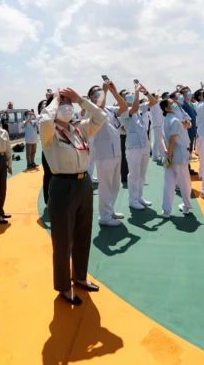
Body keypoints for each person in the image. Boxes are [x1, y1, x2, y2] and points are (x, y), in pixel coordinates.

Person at [40, 87, 106, 305]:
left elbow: (100, 116)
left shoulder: (80, 129)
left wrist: (81, 100)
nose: (67, 106)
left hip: (83, 183)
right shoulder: (49, 133)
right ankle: (63, 286)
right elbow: (44, 120)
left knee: (83, 234)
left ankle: (79, 276)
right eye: (63, 103)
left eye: (69, 103)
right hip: (62, 186)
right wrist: (55, 100)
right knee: (62, 240)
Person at [88, 80, 128, 227]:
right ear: (91, 97)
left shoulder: (110, 109)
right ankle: (104, 217)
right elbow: (99, 107)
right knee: (105, 186)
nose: (99, 93)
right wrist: (104, 90)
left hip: (115, 151)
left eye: (100, 91)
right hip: (104, 153)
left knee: (115, 185)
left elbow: (124, 107)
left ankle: (110, 210)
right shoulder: (91, 109)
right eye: (96, 92)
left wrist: (114, 92)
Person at [119, 83, 157, 210]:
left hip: (144, 144)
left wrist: (145, 92)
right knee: (134, 175)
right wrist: (136, 93)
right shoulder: (123, 110)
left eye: (129, 94)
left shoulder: (140, 107)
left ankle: (139, 197)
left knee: (142, 174)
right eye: (126, 96)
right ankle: (133, 200)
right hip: (133, 147)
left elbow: (153, 102)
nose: (129, 96)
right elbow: (133, 109)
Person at [159, 99, 192, 218]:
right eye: (170, 103)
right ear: (167, 109)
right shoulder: (175, 120)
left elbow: (162, 138)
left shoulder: (165, 120)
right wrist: (170, 155)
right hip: (177, 155)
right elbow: (172, 140)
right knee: (184, 182)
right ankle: (186, 206)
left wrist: (167, 154)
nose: (174, 104)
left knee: (169, 183)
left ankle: (166, 210)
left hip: (169, 155)